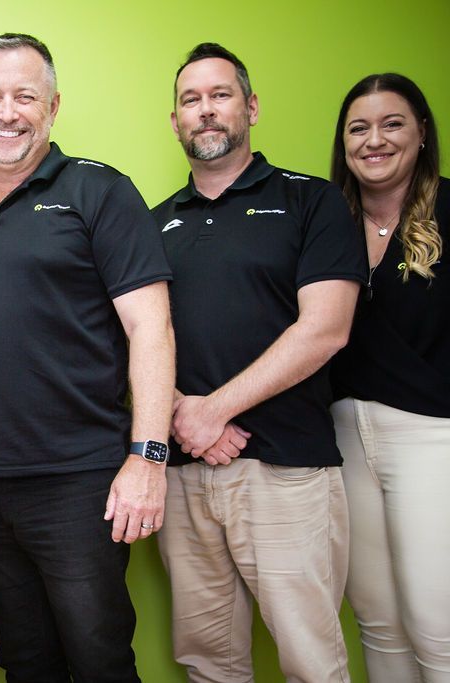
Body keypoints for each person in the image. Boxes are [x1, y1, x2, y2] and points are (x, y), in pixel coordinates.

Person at [0, 33, 175, 682]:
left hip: (79, 482)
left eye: (25, 96)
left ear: (53, 106)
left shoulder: (99, 191)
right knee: (23, 660)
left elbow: (151, 328)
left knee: (98, 658)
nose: (7, 112)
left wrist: (148, 457)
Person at [152, 42, 367, 682]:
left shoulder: (312, 201)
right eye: (191, 99)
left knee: (310, 660)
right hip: (184, 476)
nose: (205, 110)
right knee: (208, 662)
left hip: (285, 469)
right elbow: (132, 341)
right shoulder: (153, 223)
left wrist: (212, 411)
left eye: (220, 95)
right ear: (174, 120)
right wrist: (181, 415)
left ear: (250, 107)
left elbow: (325, 329)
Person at [329, 73, 450, 682]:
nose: (374, 140)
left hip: (433, 438)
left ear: (421, 133)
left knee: (438, 626)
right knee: (377, 622)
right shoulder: (327, 221)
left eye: (392, 124)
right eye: (359, 128)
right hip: (342, 439)